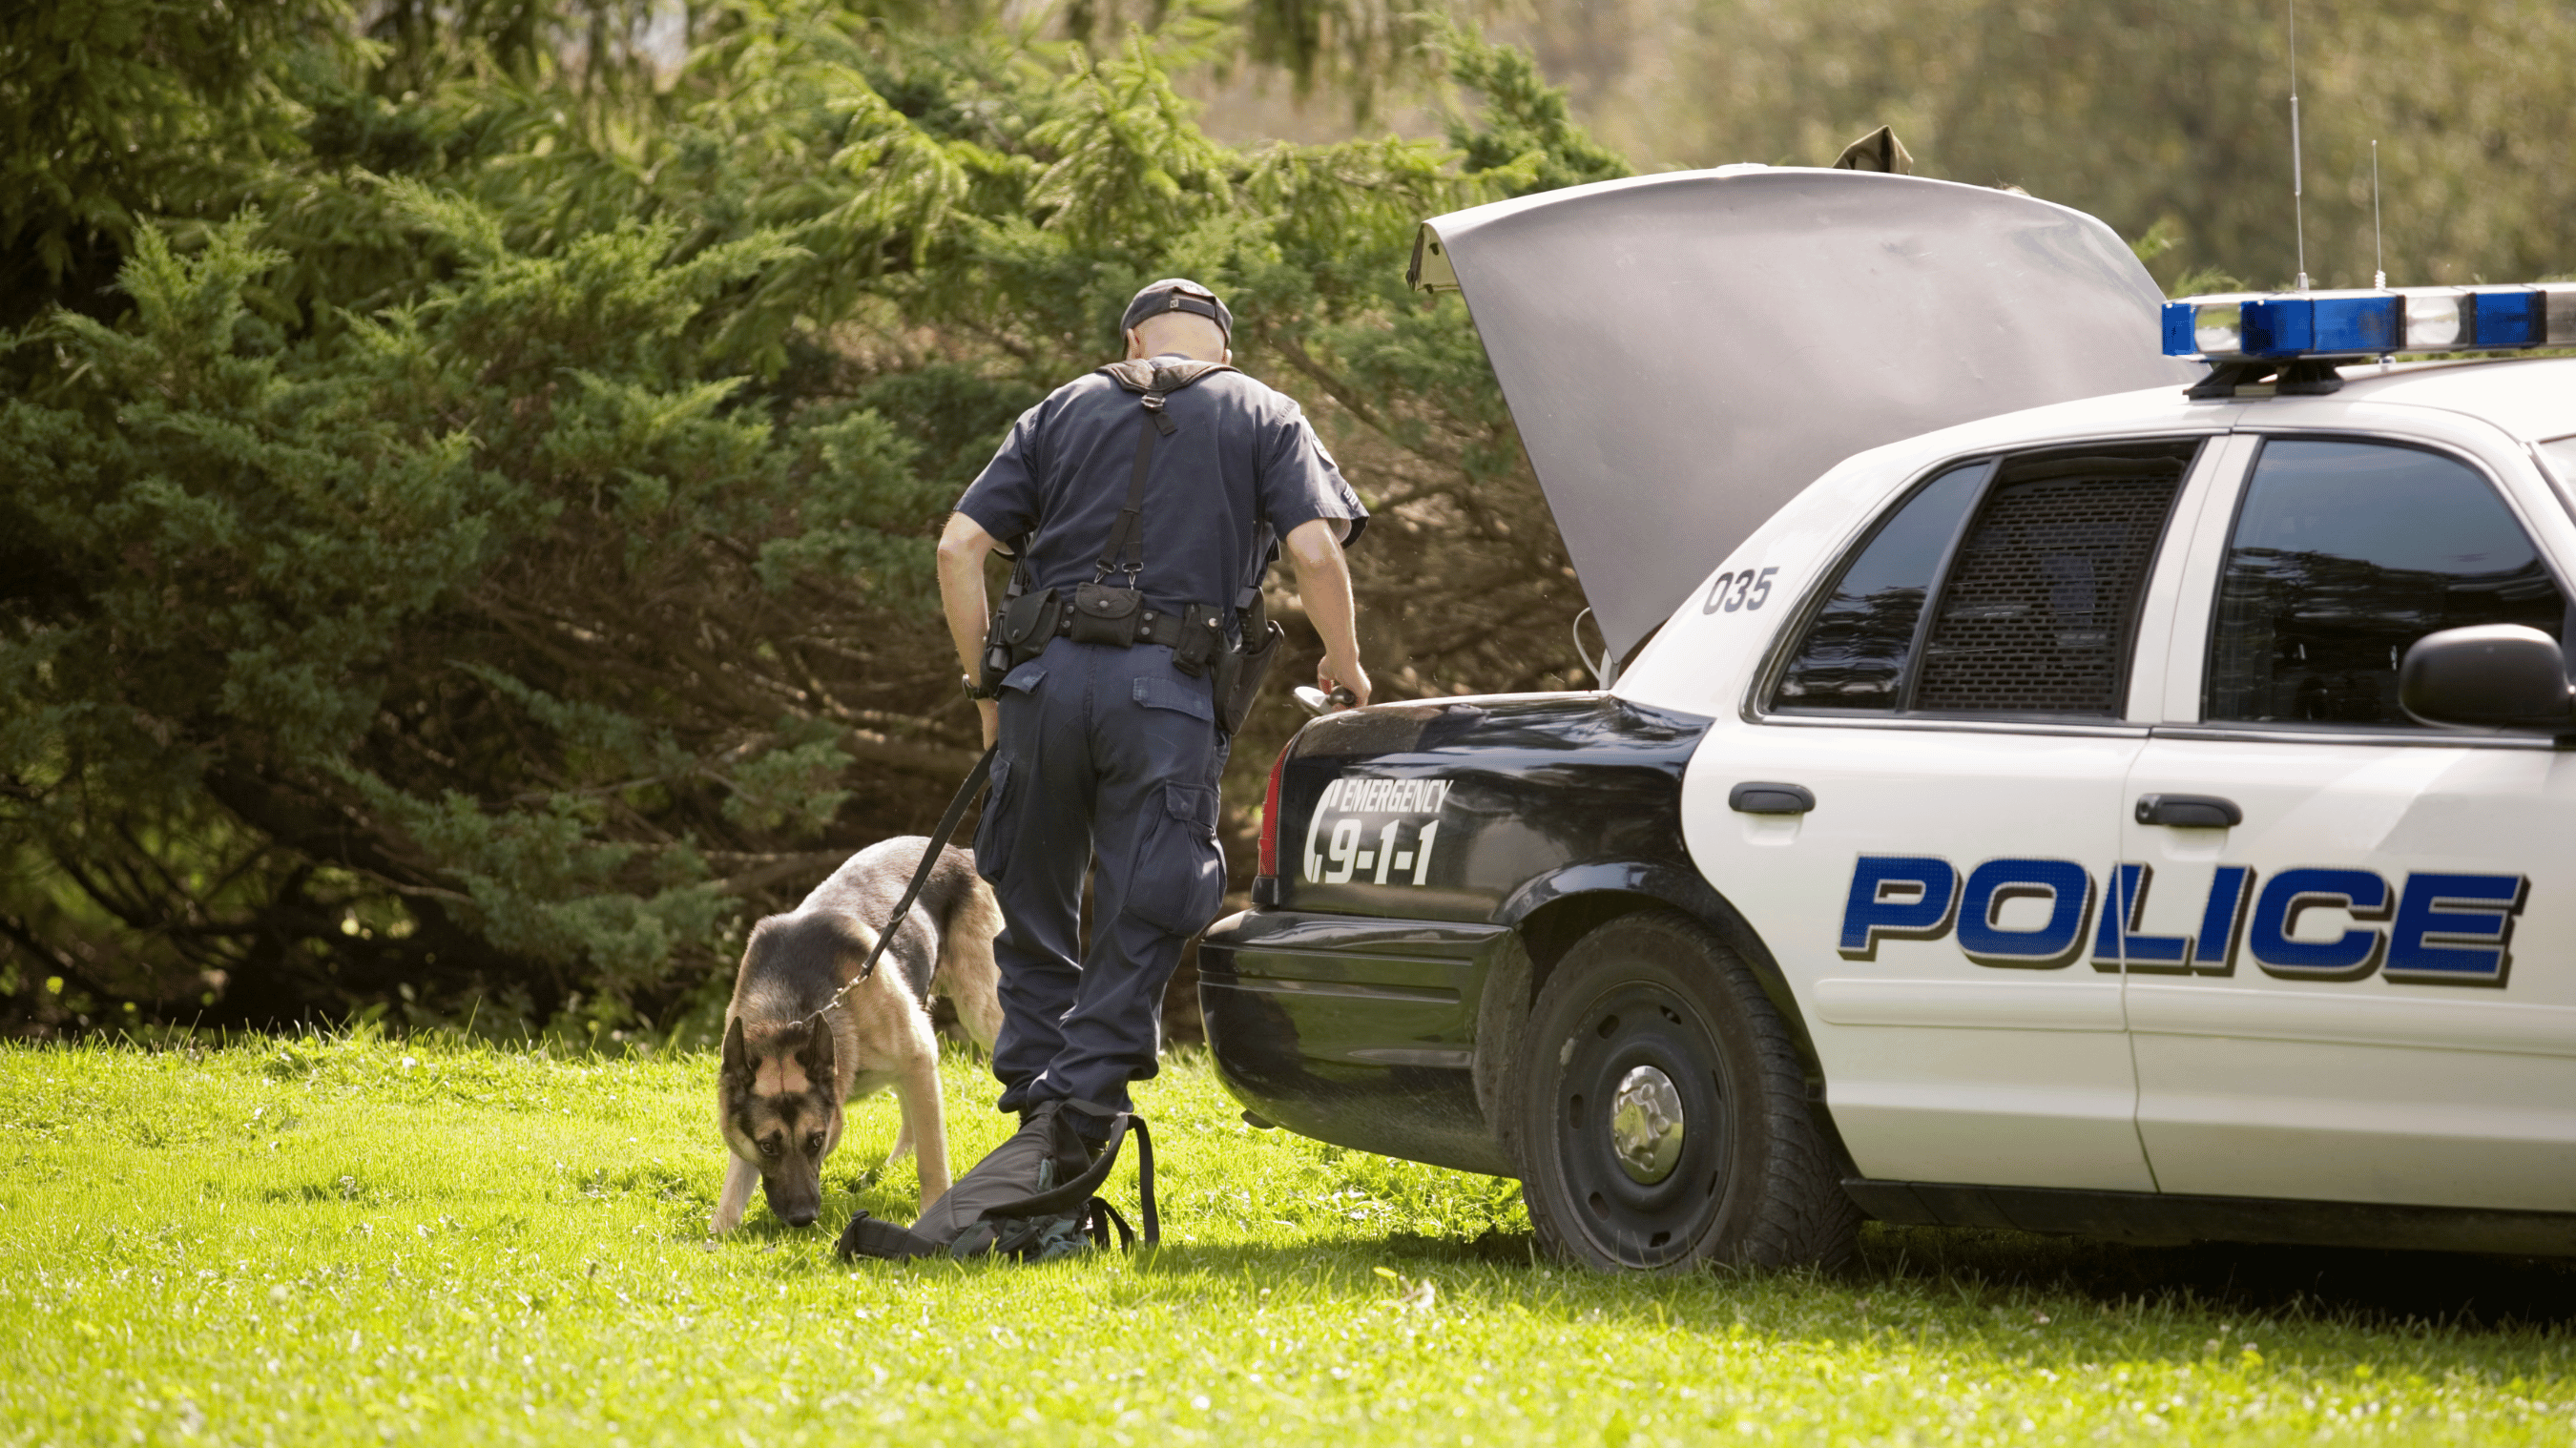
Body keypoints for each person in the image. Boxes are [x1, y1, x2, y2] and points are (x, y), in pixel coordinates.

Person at [935, 278, 1369, 1149]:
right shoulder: (1264, 410)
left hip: (1039, 688)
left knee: (1034, 897)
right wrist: (1346, 663)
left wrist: (988, 692)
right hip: (1166, 695)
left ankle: (1035, 1106)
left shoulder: (1061, 406)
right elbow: (1317, 550)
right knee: (1151, 897)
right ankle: (1082, 1108)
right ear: (1224, 351)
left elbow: (958, 549)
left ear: (1132, 341)